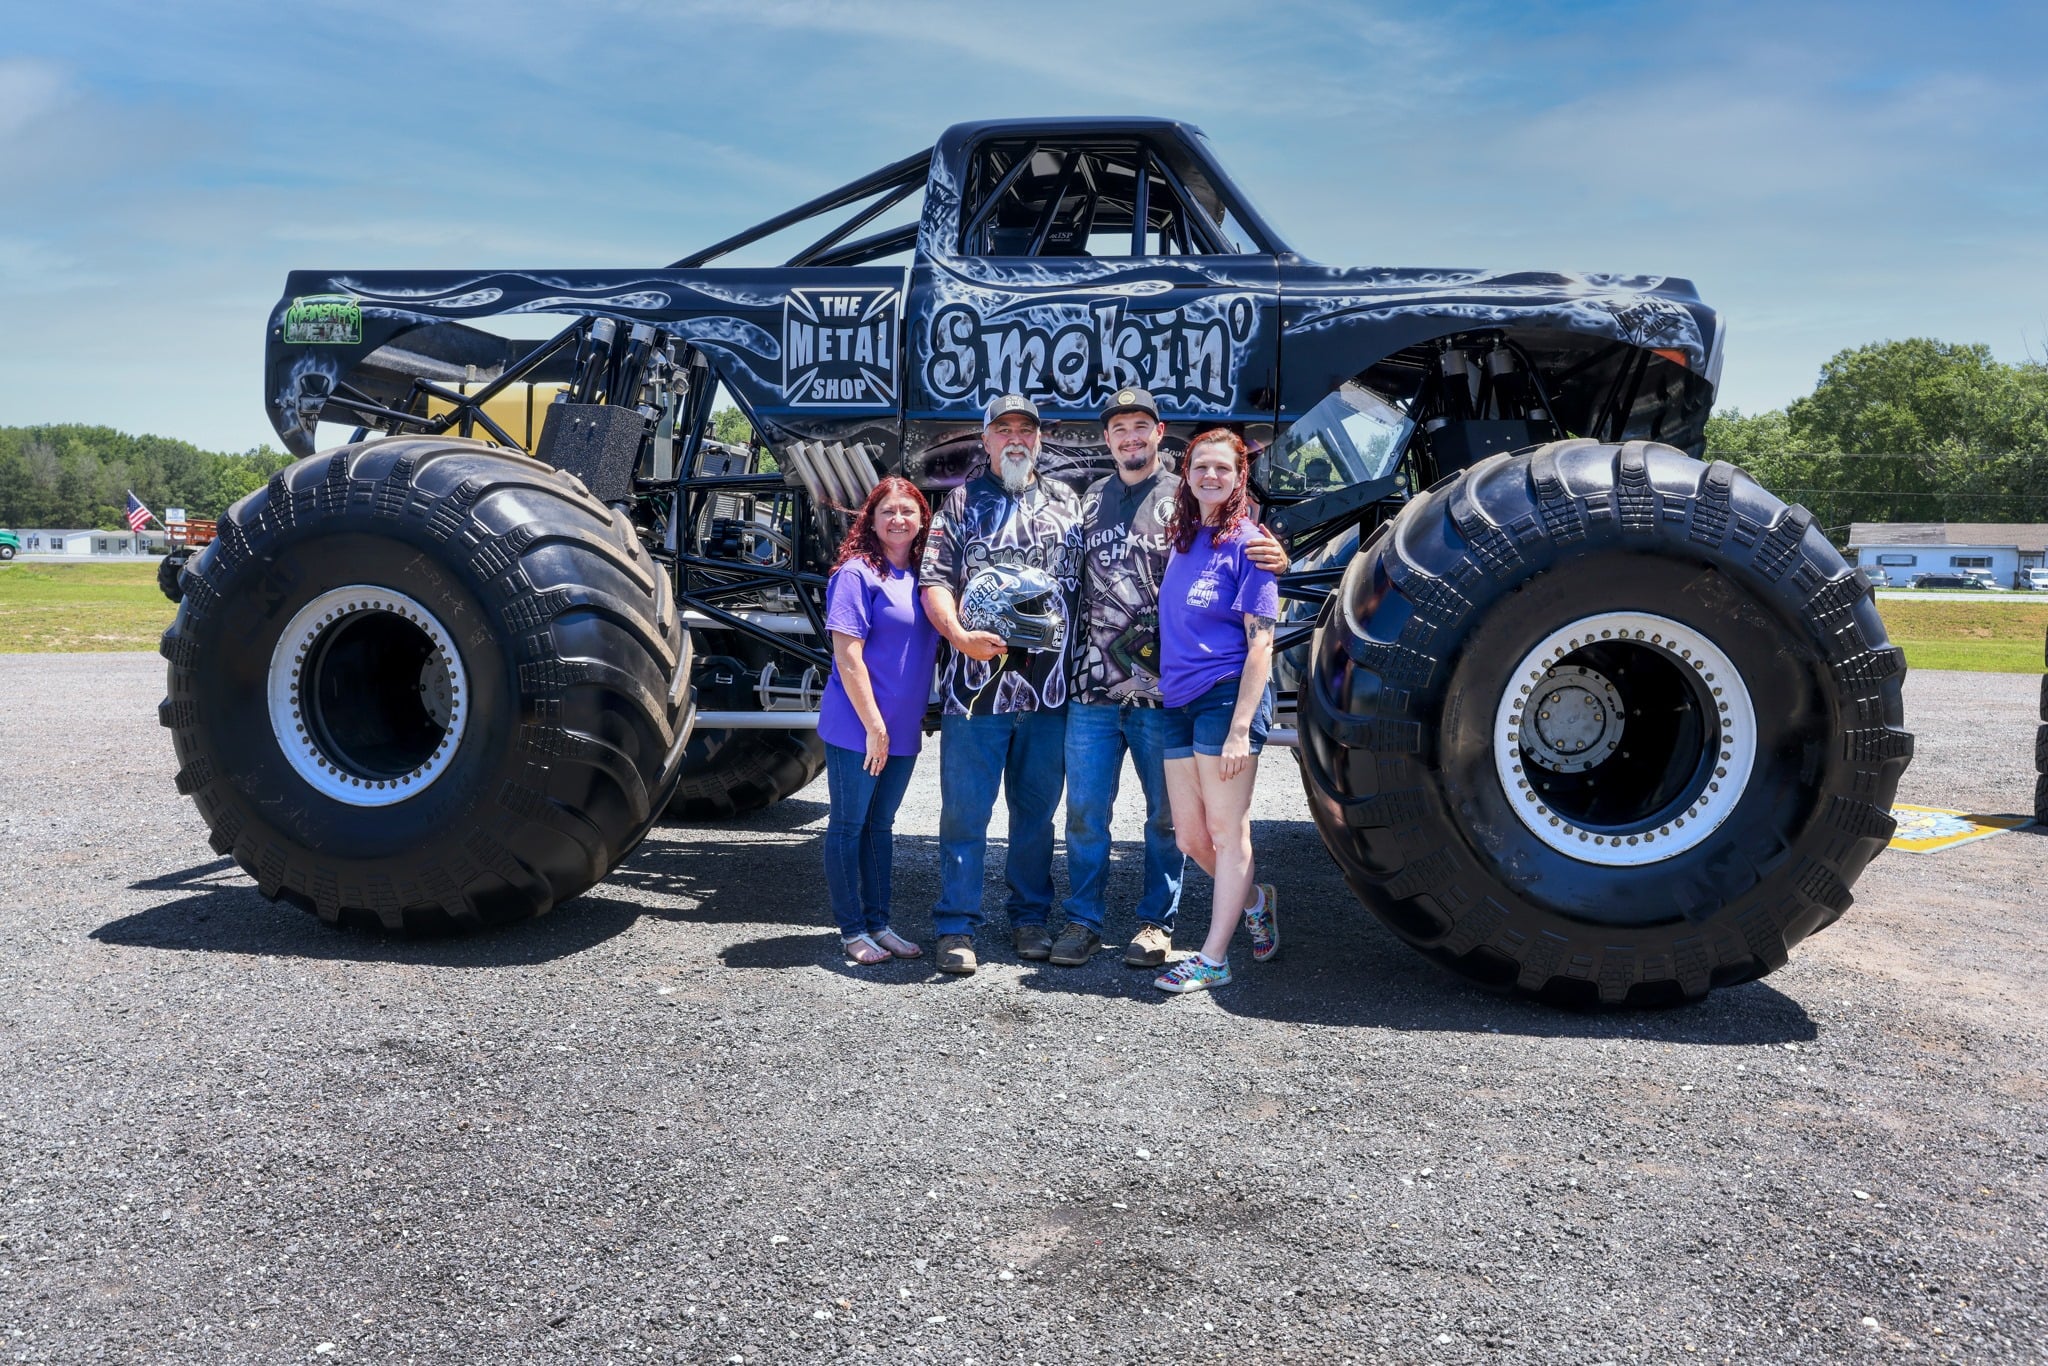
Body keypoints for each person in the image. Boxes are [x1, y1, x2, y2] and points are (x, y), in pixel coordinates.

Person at [1055, 387, 1288, 970]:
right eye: (1118, 429)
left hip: (1166, 691)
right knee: (1086, 812)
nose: (1130, 438)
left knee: (1169, 819)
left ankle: (1156, 924)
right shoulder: (1091, 503)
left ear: (1161, 435)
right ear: (1106, 438)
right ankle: (1083, 922)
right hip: (1094, 683)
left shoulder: (1184, 502)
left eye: (1141, 426)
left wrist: (1274, 554)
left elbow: (1244, 556)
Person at [920, 394, 1083, 976]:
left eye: (1026, 429)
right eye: (1004, 428)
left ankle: (1029, 920)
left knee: (1036, 814)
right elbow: (934, 581)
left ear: (1039, 439)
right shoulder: (959, 505)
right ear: (985, 439)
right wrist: (959, 636)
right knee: (965, 813)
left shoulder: (1069, 503)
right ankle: (956, 926)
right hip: (975, 691)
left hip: (1048, 694)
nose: (1016, 438)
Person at [1152, 429, 1281, 994]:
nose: (1210, 476)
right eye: (1201, 466)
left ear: (1238, 477)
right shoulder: (1183, 539)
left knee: (1228, 832)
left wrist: (1238, 732)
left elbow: (1262, 644)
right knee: (1189, 837)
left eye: (1222, 469)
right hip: (1178, 701)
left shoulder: (1250, 545)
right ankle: (1256, 901)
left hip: (1227, 697)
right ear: (1186, 473)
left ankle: (1213, 958)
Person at [817, 476, 942, 965]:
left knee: (880, 827)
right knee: (849, 825)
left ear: (921, 521)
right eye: (888, 510)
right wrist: (874, 726)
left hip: (902, 728)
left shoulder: (923, 577)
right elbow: (848, 657)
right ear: (871, 518)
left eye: (908, 512)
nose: (898, 519)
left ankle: (879, 923)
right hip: (859, 727)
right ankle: (851, 931)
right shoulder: (856, 574)